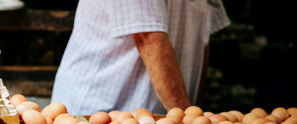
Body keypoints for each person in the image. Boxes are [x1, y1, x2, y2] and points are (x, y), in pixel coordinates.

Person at [51, 0, 230, 115]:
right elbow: (150, 40)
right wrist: (190, 121)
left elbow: (204, 39)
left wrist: (193, 112)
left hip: (162, 123)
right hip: (99, 115)